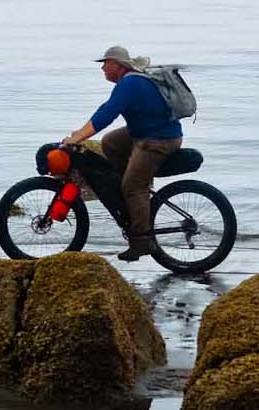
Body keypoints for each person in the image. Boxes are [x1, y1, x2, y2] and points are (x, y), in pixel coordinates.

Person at [60, 45, 184, 261]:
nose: (102, 68)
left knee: (133, 187)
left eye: (105, 64)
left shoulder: (130, 83)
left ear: (117, 65)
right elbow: (105, 108)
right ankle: (127, 184)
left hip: (159, 140)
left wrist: (77, 139)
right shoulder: (128, 82)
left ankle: (142, 242)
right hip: (146, 133)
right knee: (110, 142)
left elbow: (107, 115)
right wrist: (79, 133)